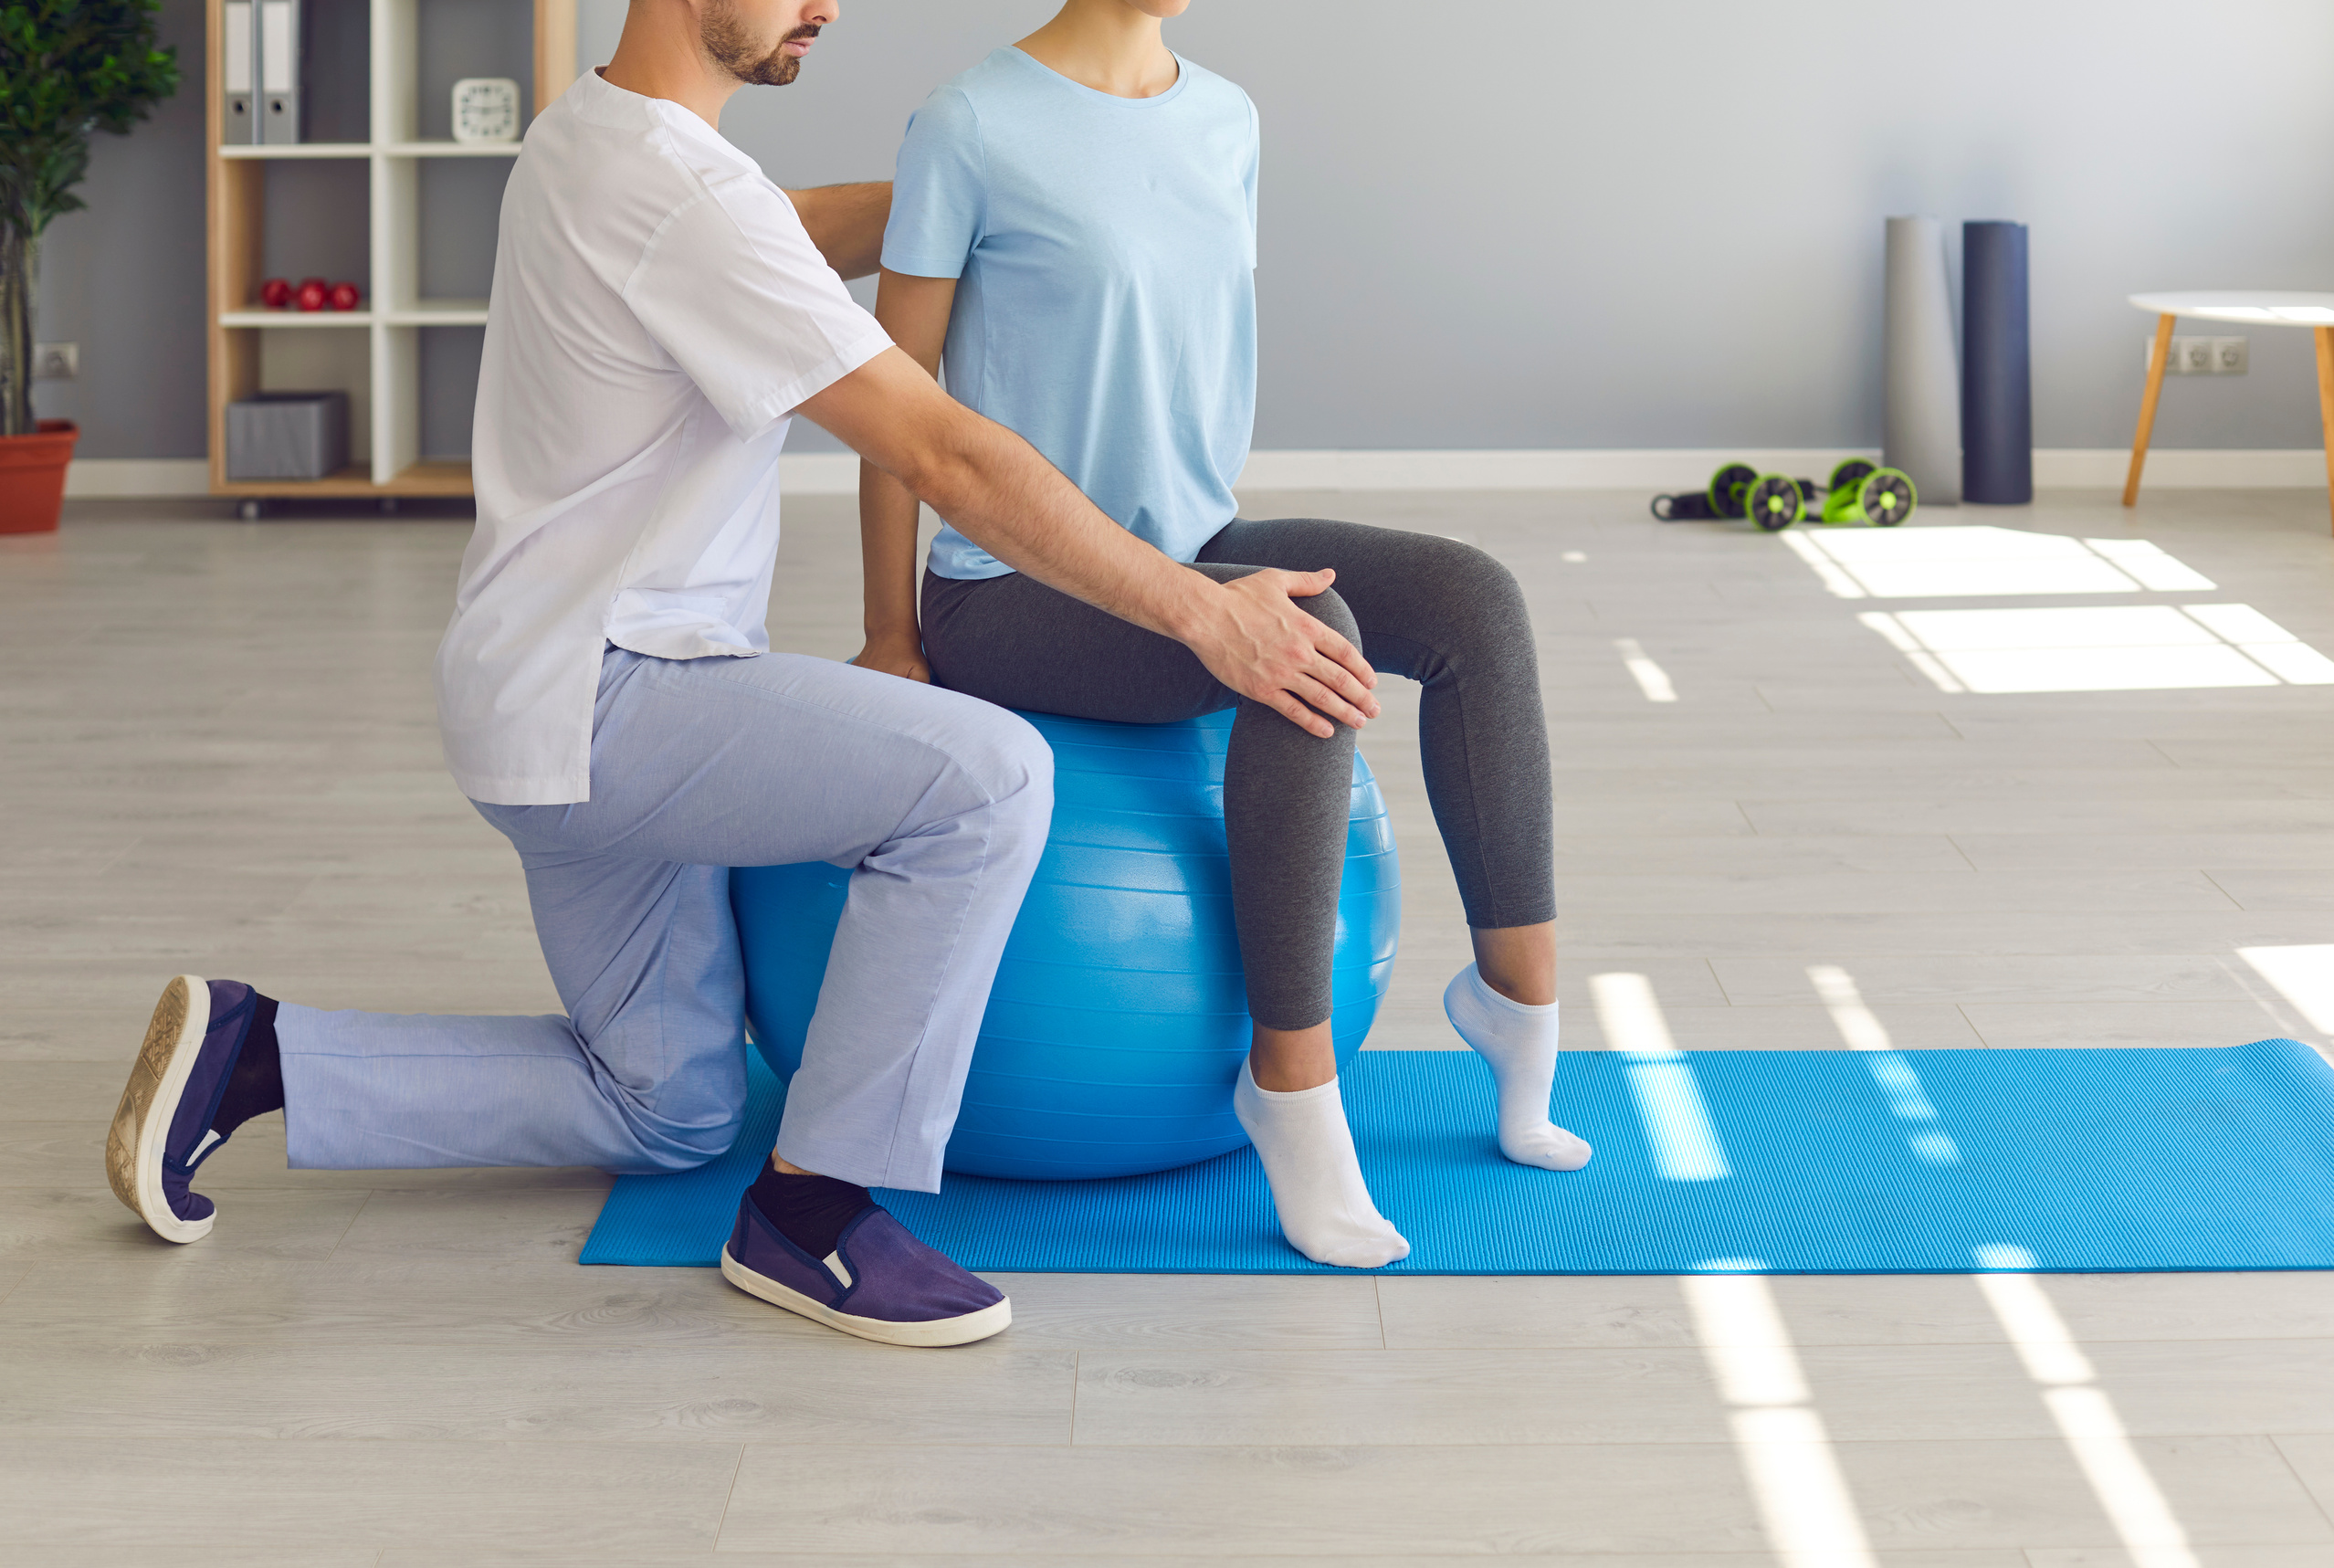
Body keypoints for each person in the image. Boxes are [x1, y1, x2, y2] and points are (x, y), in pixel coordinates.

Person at [103, 0, 1379, 1347]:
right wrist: (1198, 611)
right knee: (987, 777)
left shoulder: (597, 134)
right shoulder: (686, 191)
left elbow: (785, 228)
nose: (825, 3)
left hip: (535, 699)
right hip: (621, 701)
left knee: (670, 1107)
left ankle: (259, 1051)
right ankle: (815, 1213)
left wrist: (994, 187)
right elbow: (942, 455)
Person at [857, 0, 1589, 1270]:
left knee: (1476, 599)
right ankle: (1291, 1087)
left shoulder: (1227, 118)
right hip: (1010, 592)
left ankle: (1518, 1004)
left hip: (1191, 545)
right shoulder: (970, 122)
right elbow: (893, 408)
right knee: (1310, 633)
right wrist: (889, 635)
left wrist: (1207, 571)